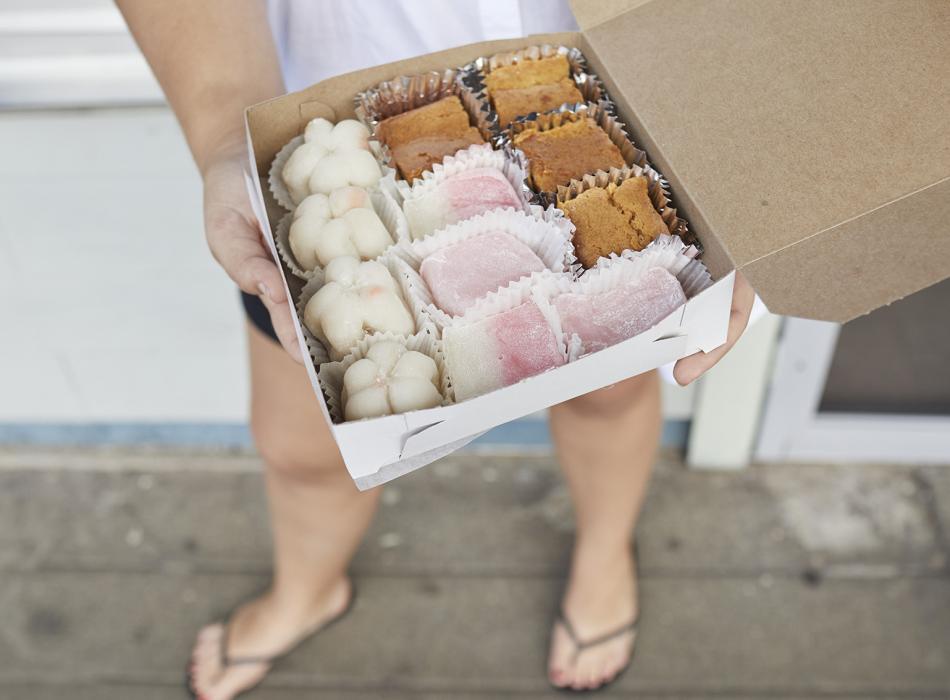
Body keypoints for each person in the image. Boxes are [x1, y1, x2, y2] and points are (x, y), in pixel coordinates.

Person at [118, 2, 754, 697]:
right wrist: (220, 132)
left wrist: (736, 154)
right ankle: (306, 591)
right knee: (303, 447)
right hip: (328, 142)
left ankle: (604, 553)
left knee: (612, 387)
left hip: (617, 87)